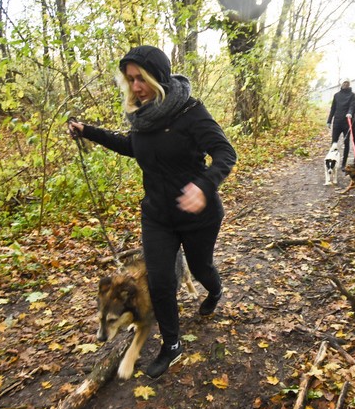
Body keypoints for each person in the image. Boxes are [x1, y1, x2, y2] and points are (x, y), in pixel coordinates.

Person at [67, 45, 237, 378]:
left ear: (157, 76)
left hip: (199, 215)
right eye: (130, 79)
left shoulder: (190, 111)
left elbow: (224, 153)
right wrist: (89, 131)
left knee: (201, 268)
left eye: (140, 78)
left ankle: (215, 290)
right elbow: (133, 146)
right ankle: (172, 345)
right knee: (160, 281)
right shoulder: (142, 116)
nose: (135, 87)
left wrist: (204, 186)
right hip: (158, 215)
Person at [326, 80, 355, 169]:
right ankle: (332, 161)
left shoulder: (352, 95)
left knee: (346, 142)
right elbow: (333, 108)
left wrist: (350, 113)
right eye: (344, 83)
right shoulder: (336, 95)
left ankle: (343, 164)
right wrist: (329, 120)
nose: (345, 84)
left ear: (349, 84)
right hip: (337, 122)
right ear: (341, 84)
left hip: (347, 122)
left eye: (347, 83)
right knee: (334, 142)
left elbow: (352, 106)